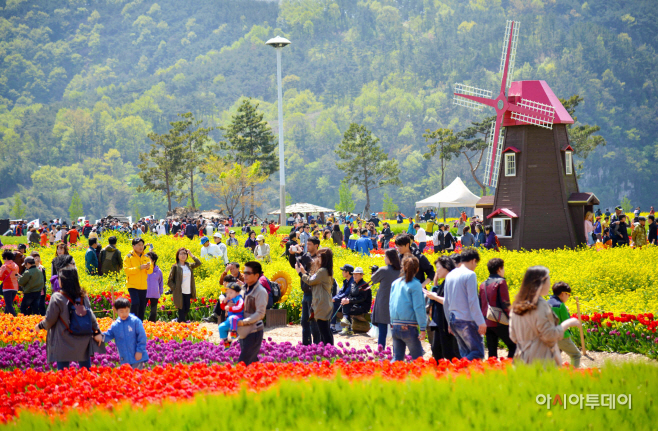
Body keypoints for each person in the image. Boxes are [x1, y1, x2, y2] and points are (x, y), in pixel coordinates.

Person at [509, 266, 582, 366]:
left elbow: (513, 336)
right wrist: (568, 323)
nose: (549, 285)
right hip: (540, 360)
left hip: (521, 360)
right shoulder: (541, 305)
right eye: (548, 281)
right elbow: (549, 335)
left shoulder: (517, 305)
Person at [34, 268, 104, 370]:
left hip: (63, 338)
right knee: (86, 372)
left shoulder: (57, 297)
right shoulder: (82, 296)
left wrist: (40, 325)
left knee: (63, 374)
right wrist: (97, 332)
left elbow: (50, 320)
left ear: (63, 280)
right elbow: (90, 315)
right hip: (82, 337)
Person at [443, 248, 486, 360]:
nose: (476, 266)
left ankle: (464, 375)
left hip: (453, 319)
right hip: (467, 320)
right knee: (477, 353)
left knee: (465, 353)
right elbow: (473, 301)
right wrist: (481, 322)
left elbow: (446, 301)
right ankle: (459, 368)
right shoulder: (470, 275)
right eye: (476, 263)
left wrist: (449, 322)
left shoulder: (450, 275)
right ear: (473, 260)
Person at [389, 256, 426, 361]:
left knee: (397, 358)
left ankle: (388, 376)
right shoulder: (416, 285)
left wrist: (392, 322)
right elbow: (419, 308)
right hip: (409, 326)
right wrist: (422, 328)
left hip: (395, 325)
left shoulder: (395, 283)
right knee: (417, 359)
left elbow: (391, 304)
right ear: (417, 269)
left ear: (403, 268)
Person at [423, 256, 460, 360]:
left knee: (449, 352)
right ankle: (442, 372)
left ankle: (462, 371)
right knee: (436, 350)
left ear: (447, 267)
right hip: (440, 321)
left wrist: (433, 296)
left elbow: (449, 301)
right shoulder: (446, 281)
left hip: (446, 321)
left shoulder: (451, 281)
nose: (436, 270)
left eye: (438, 267)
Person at [296, 248, 334, 345]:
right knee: (326, 330)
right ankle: (330, 350)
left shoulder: (322, 271)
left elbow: (310, 281)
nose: (317, 258)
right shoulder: (326, 270)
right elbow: (313, 279)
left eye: (319, 256)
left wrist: (300, 273)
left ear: (324, 258)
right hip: (325, 303)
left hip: (322, 304)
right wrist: (304, 272)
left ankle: (328, 351)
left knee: (324, 331)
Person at [478, 258, 516, 358]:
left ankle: (492, 371)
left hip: (487, 322)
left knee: (492, 352)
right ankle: (507, 369)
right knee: (514, 346)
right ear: (499, 269)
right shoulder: (501, 282)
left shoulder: (483, 284)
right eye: (503, 268)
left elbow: (480, 303)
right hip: (499, 322)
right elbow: (505, 303)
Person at [289, 236, 321, 344]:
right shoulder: (306, 256)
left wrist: (302, 254)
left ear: (316, 246)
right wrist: (292, 255)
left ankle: (317, 345)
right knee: (304, 322)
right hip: (306, 293)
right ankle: (306, 346)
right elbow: (295, 265)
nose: (307, 246)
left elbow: (312, 265)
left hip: (315, 293)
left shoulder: (319, 258)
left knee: (314, 322)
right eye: (307, 244)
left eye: (310, 244)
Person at [101, 297, 149, 369]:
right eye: (121, 311)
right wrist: (97, 336)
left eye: (127, 311)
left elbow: (142, 336)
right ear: (116, 311)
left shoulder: (135, 321)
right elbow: (108, 335)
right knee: (127, 378)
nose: (124, 314)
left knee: (137, 377)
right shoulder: (116, 325)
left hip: (137, 356)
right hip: (125, 358)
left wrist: (139, 351)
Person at [236, 261, 268, 366]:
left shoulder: (261, 292)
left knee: (242, 363)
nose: (244, 275)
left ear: (256, 275)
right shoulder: (243, 289)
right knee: (252, 363)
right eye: (244, 272)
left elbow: (260, 313)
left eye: (248, 273)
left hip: (254, 332)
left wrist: (244, 322)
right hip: (243, 331)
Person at [370, 249, 401, 348]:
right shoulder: (401, 270)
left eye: (385, 256)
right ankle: (397, 352)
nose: (384, 258)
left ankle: (381, 352)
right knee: (396, 331)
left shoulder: (383, 270)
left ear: (389, 258)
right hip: (397, 303)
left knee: (382, 331)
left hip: (383, 302)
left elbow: (373, 279)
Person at [548, 282, 582, 368]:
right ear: (563, 294)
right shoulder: (561, 305)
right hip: (562, 336)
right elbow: (566, 321)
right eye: (568, 295)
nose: (568, 297)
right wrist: (567, 312)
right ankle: (572, 375)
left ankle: (552, 375)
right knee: (576, 355)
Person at [167, 247, 202, 323]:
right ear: (178, 255)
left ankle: (178, 320)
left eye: (185, 254)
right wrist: (175, 288)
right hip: (179, 291)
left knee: (187, 308)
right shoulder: (175, 267)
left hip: (188, 291)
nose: (183, 255)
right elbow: (169, 281)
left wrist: (191, 255)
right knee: (181, 308)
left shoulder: (189, 265)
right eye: (181, 253)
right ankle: (182, 325)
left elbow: (199, 263)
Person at [124, 238, 153, 320]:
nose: (141, 247)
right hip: (132, 285)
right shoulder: (128, 257)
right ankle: (132, 321)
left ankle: (140, 323)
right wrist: (139, 268)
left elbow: (150, 270)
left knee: (142, 306)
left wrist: (147, 268)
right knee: (135, 303)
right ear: (133, 246)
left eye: (142, 245)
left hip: (143, 285)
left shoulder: (146, 257)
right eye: (139, 245)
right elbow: (127, 270)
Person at [339, 266, 371, 336]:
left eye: (356, 274)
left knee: (348, 308)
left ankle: (347, 326)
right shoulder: (353, 284)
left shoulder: (364, 285)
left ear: (361, 275)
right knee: (344, 303)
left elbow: (362, 298)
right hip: (354, 304)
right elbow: (350, 295)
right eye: (354, 274)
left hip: (362, 306)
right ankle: (347, 326)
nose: (354, 276)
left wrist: (349, 301)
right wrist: (346, 299)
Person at [218, 283, 245, 348]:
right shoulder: (229, 300)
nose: (228, 295)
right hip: (229, 319)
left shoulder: (239, 299)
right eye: (227, 293)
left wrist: (230, 308)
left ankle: (234, 333)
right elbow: (222, 307)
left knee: (233, 318)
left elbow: (240, 307)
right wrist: (224, 302)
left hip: (238, 316)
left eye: (231, 292)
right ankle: (226, 342)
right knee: (221, 327)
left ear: (238, 292)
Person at [145, 251, 163, 323]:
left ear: (153, 260)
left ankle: (151, 324)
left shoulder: (158, 271)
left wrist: (160, 291)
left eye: (148, 259)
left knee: (153, 311)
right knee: (141, 310)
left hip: (155, 293)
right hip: (144, 293)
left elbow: (160, 282)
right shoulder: (143, 269)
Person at [0, 250, 19, 316]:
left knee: (8, 304)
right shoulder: (16, 266)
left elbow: (0, 278)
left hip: (7, 287)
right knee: (9, 304)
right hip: (15, 287)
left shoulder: (4, 266)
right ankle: (5, 317)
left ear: (6, 257)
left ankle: (15, 318)